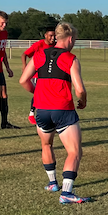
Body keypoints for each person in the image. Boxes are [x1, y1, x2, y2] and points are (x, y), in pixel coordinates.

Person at [20, 22, 91, 204]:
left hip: (41, 110)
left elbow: (23, 80)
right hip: (62, 109)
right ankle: (67, 193)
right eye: (74, 39)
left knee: (46, 145)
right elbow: (79, 89)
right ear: (69, 38)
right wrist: (82, 100)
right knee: (74, 151)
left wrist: (36, 94)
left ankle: (52, 183)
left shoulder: (38, 55)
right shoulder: (71, 58)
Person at [22, 27, 56, 124]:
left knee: (48, 95)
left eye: (54, 36)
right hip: (37, 75)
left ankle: (47, 115)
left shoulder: (55, 46)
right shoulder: (39, 45)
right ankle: (32, 114)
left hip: (49, 74)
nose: (53, 38)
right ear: (45, 35)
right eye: (51, 36)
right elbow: (24, 54)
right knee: (39, 94)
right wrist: (24, 66)